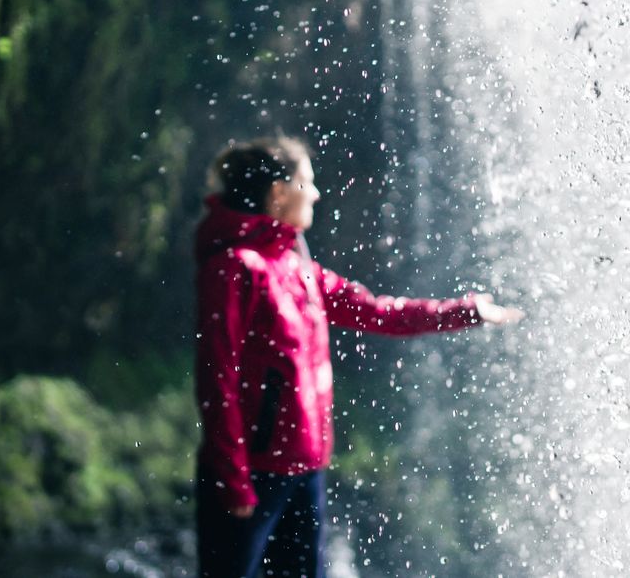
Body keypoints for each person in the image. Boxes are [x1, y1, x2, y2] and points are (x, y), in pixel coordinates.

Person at [194, 136, 522, 578]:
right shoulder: (236, 267)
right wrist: (233, 479)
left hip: (305, 469)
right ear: (278, 193)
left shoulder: (297, 269)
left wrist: (464, 312)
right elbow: (218, 379)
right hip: (253, 473)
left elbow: (376, 311)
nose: (316, 193)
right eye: (307, 182)